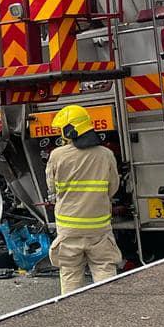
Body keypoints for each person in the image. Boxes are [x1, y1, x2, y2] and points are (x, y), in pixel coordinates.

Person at [45, 105, 122, 296]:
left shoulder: (57, 156)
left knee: (70, 273)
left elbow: (51, 187)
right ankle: (110, 312)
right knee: (104, 268)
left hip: (69, 228)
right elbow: (113, 187)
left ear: (69, 130)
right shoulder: (106, 155)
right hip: (99, 227)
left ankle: (74, 316)